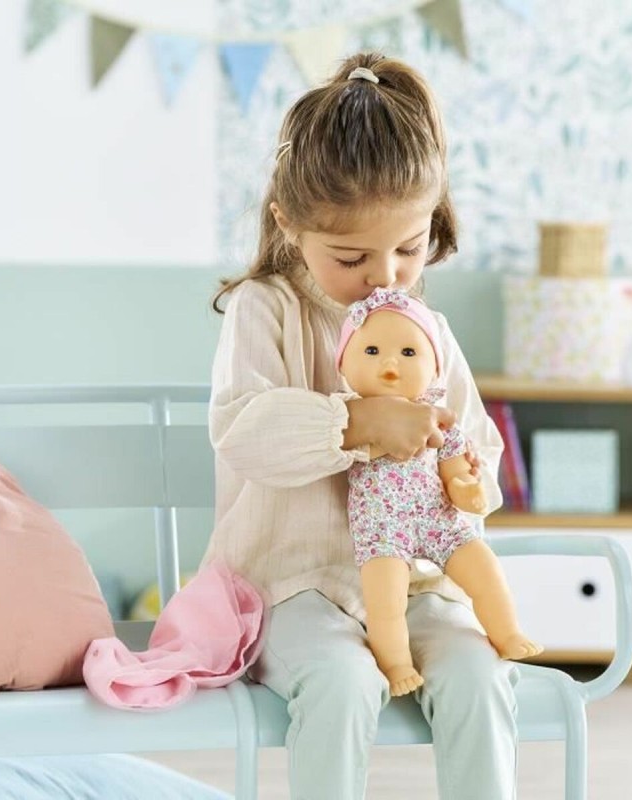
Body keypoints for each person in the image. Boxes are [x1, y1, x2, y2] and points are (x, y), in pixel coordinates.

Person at [204, 51, 520, 800]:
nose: (384, 275)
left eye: (408, 249)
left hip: (420, 584)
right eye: (351, 256)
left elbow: (479, 447)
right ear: (289, 223)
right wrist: (353, 422)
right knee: (342, 683)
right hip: (295, 587)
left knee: (479, 676)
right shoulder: (266, 309)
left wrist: (468, 482)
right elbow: (242, 430)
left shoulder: (427, 330)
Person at [336, 287, 542, 697]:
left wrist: (467, 490)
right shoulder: (349, 419)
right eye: (371, 351)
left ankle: (506, 633)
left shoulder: (441, 421)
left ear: (435, 367)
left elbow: (455, 471)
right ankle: (396, 664)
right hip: (382, 528)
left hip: (438, 517)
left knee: (484, 569)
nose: (390, 363)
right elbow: (329, 454)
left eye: (409, 352)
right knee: (385, 601)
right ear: (343, 363)